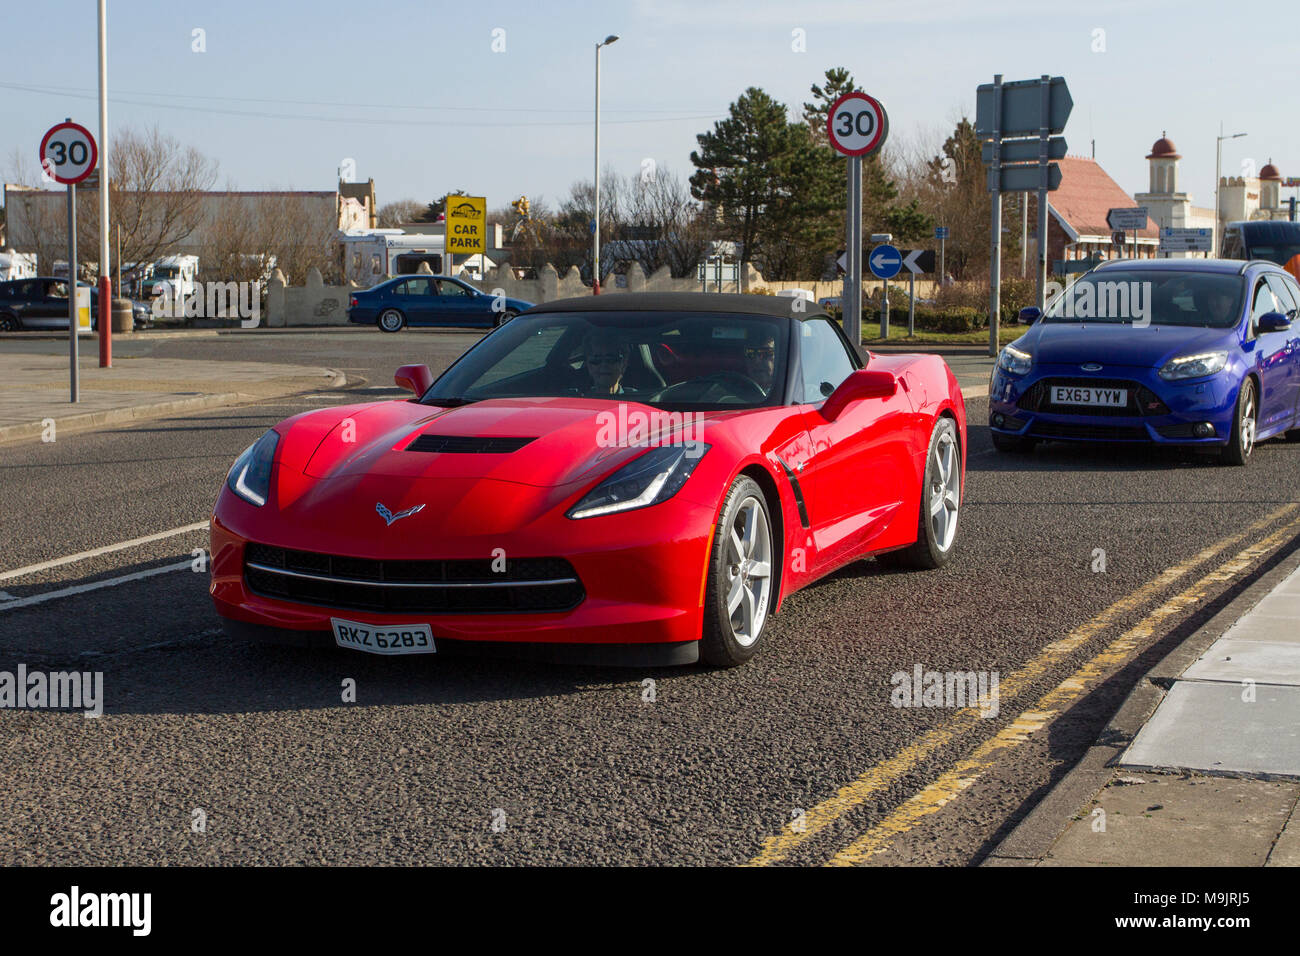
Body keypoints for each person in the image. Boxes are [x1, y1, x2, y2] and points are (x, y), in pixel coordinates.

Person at [581, 329, 629, 395]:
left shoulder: (637, 399)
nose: (604, 365)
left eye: (611, 359)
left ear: (623, 364)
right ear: (589, 366)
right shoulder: (576, 399)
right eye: (597, 359)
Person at [744, 329, 777, 394]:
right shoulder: (731, 392)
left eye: (765, 353)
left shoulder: (790, 390)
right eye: (750, 353)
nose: (756, 360)